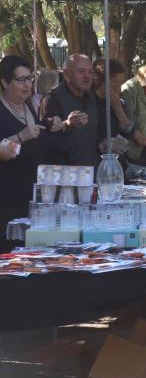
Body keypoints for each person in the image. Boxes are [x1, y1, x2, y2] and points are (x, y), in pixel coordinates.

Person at [0, 56, 65, 250]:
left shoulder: (28, 105)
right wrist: (20, 136)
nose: (27, 84)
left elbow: (36, 136)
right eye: (21, 80)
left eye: (29, 78)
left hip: (35, 201)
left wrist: (55, 124)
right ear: (4, 82)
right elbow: (12, 144)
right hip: (8, 203)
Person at [45, 53, 95, 166]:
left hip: (91, 171)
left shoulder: (91, 97)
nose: (87, 76)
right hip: (66, 174)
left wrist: (102, 143)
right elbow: (46, 137)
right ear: (67, 74)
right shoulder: (54, 98)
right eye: (81, 71)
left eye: (90, 72)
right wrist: (67, 125)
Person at [92, 58, 136, 155]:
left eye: (121, 82)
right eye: (115, 81)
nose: (118, 86)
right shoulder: (90, 102)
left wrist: (118, 108)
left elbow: (130, 133)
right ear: (101, 80)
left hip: (116, 161)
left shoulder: (121, 102)